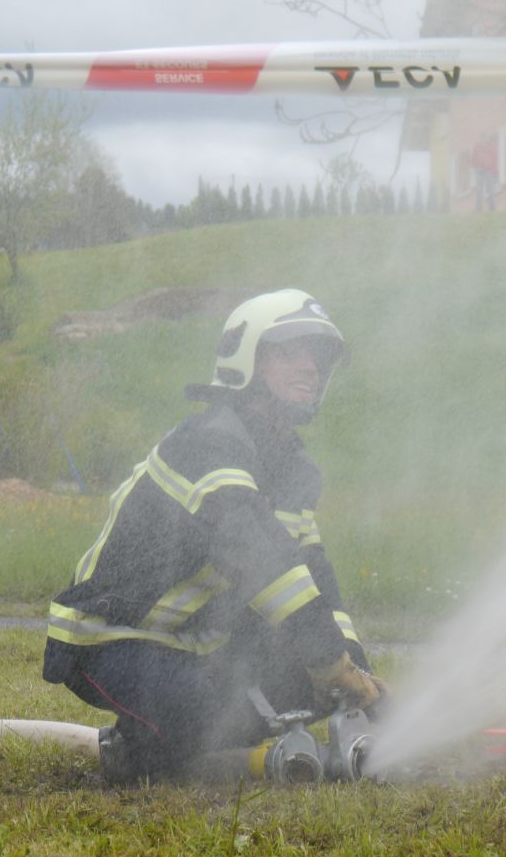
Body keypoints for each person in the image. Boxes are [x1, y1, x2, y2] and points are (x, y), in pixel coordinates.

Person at [43, 289, 385, 782]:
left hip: (198, 647)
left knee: (304, 684)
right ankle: (137, 755)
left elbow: (314, 579)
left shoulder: (295, 471)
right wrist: (327, 660)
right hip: (114, 639)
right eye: (289, 352)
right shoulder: (205, 444)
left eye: (317, 356)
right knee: (203, 708)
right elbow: (254, 553)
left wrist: (358, 677)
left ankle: (173, 746)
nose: (310, 367)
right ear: (244, 359)